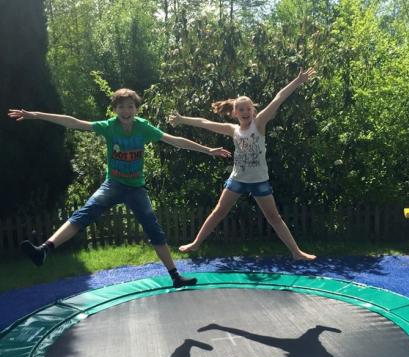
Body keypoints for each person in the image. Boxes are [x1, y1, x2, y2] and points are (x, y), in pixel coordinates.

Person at [8, 88, 231, 287]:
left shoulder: (143, 127)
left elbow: (174, 140)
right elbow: (73, 122)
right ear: (115, 109)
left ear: (136, 109)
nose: (126, 110)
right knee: (84, 213)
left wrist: (208, 150)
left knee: (153, 228)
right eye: (121, 107)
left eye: (130, 106)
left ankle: (175, 276)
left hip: (136, 189)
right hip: (113, 185)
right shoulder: (109, 127)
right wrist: (35, 115)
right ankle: (44, 250)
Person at [169, 68, 317, 260]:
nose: (245, 112)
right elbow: (204, 122)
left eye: (248, 108)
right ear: (234, 113)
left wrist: (297, 81)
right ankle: (196, 243)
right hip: (237, 179)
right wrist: (182, 120)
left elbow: (278, 98)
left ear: (253, 111)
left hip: (259, 181)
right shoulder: (233, 129)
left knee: (274, 218)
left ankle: (296, 253)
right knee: (218, 212)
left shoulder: (260, 123)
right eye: (241, 109)